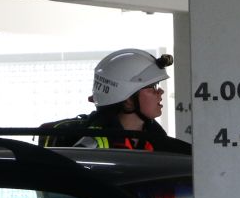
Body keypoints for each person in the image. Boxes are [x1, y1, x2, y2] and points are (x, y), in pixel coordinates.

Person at [39, 50, 188, 152]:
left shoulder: (158, 140)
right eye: (152, 87)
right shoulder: (91, 146)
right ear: (128, 100)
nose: (160, 92)